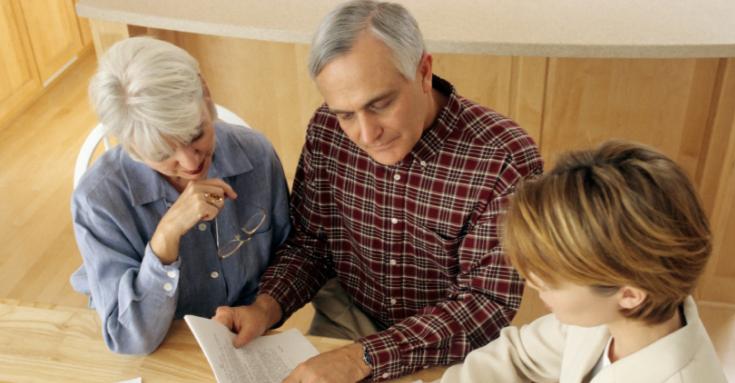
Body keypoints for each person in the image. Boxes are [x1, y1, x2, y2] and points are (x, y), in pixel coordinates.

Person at [212, 0, 542, 381]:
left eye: (380, 104)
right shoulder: (326, 129)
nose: (366, 135)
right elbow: (311, 245)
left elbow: (485, 305)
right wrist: (265, 307)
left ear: (423, 71)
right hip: (346, 317)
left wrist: (361, 358)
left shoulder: (504, 159)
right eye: (346, 114)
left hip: (450, 348)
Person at [69, 37, 291, 354]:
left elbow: (290, 257)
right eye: (162, 153)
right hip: (161, 347)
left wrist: (263, 310)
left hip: (245, 341)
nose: (191, 163)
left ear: (207, 96)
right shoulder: (98, 201)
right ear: (131, 146)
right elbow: (130, 340)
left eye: (195, 134)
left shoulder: (256, 155)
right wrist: (165, 240)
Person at [440, 140, 727, 383]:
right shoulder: (608, 315)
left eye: (549, 279)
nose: (530, 282)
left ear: (628, 294)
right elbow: (518, 355)